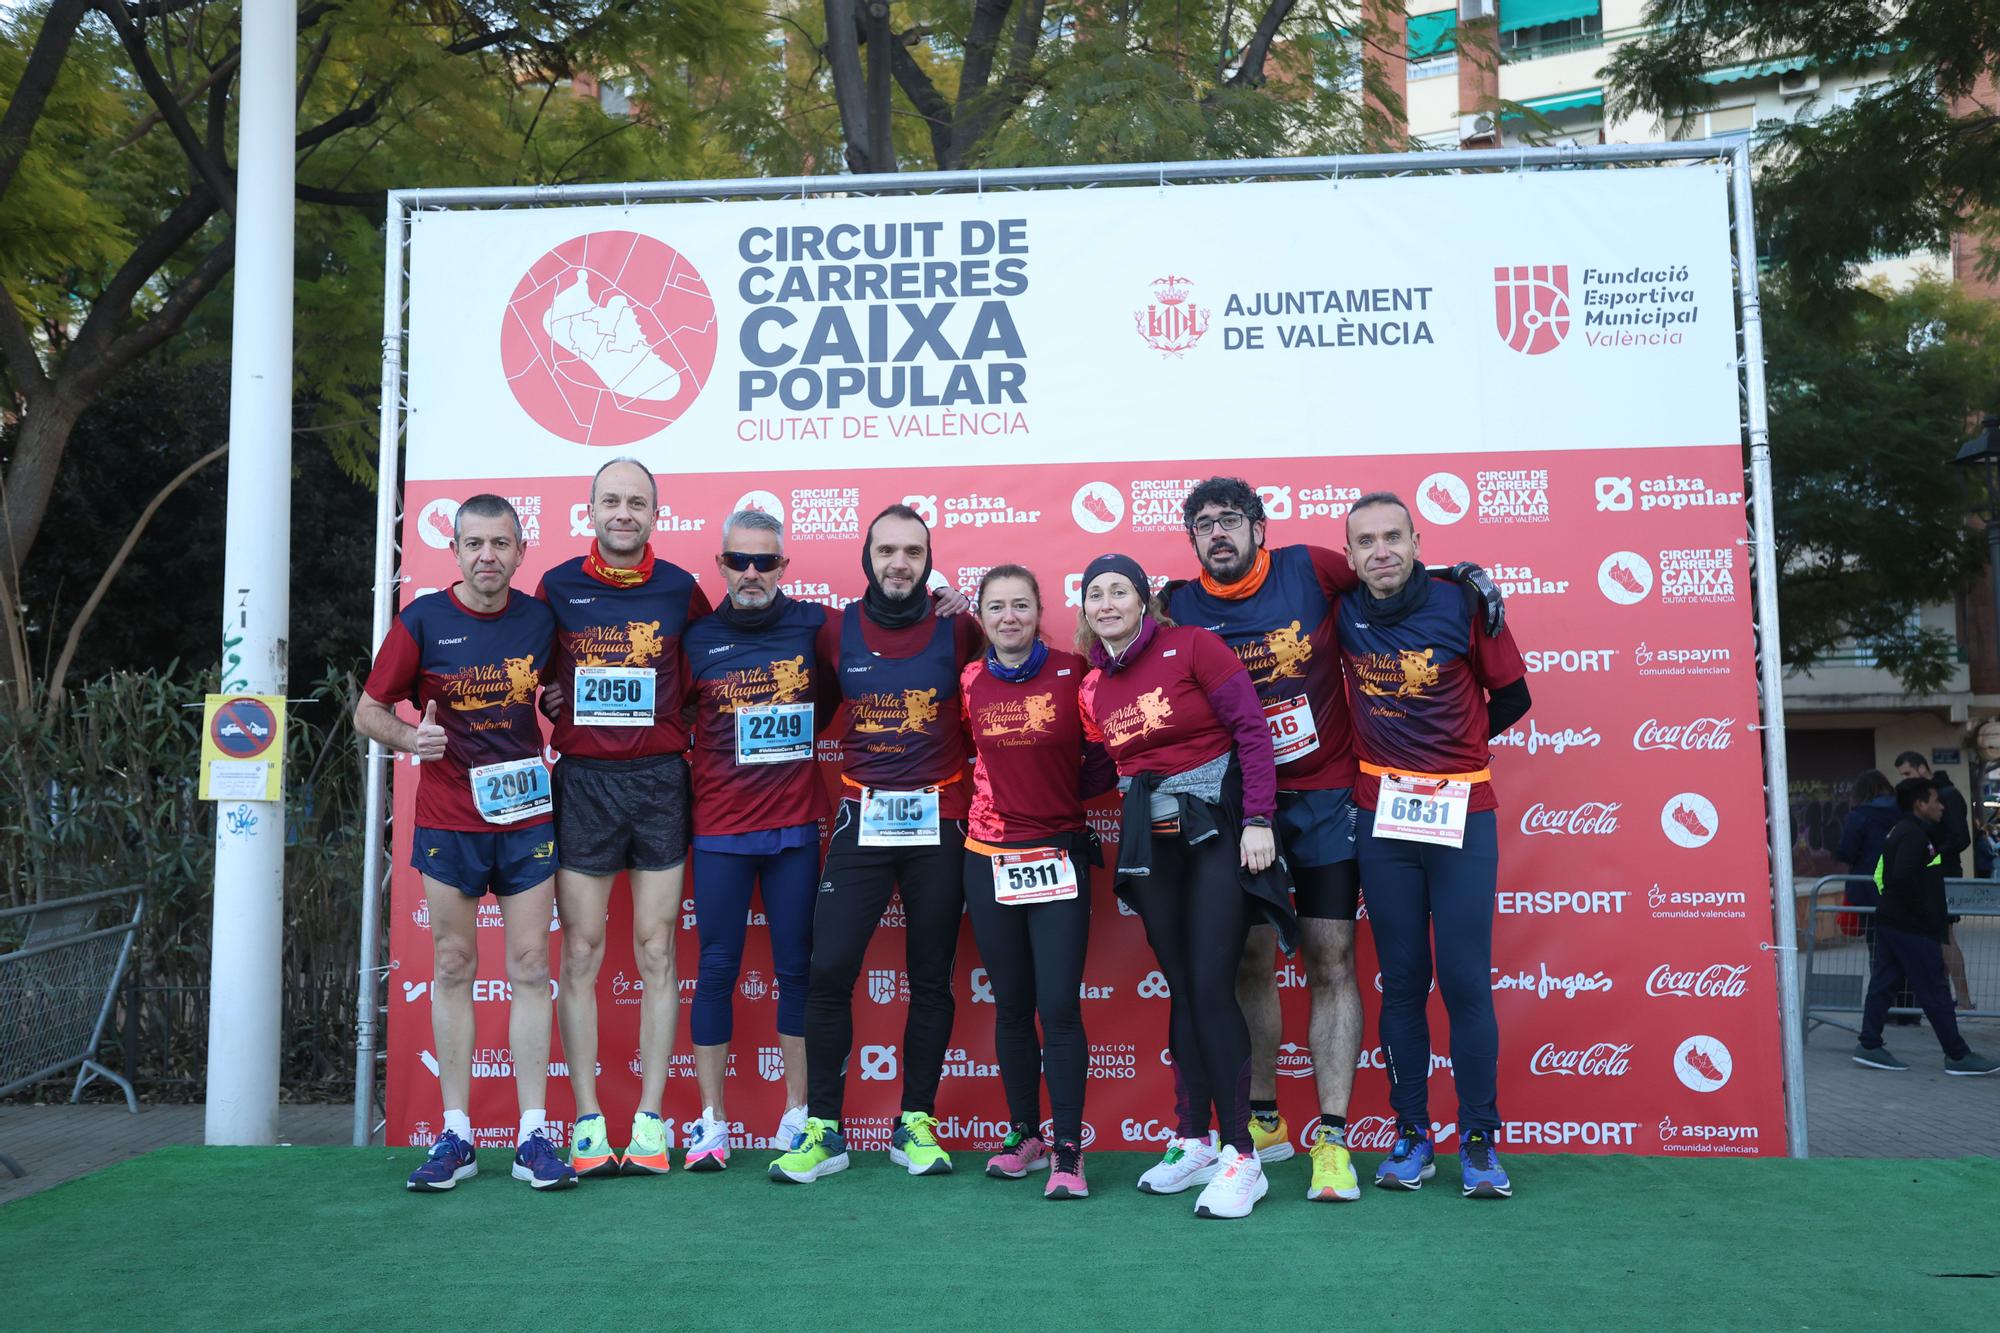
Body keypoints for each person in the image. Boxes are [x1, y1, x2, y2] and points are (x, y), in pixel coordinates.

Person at [1161, 476, 1506, 1203]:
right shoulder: (1175, 605)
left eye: (1231, 519)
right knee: (1249, 959)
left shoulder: (1312, 566)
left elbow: (1395, 575)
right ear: (1191, 537)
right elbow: (1111, 646)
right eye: (1203, 524)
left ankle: (1335, 1138)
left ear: (1260, 525)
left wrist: (1463, 576)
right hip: (1235, 804)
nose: (1217, 532)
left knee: (1332, 957)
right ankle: (1262, 1122)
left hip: (1323, 799)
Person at [354, 494, 575, 1192]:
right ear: (454, 550)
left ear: (519, 551)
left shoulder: (541, 619)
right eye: (475, 543)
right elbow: (367, 709)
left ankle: (534, 1133)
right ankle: (457, 1131)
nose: (488, 555)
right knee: (452, 962)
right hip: (450, 818)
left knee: (532, 963)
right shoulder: (422, 620)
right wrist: (407, 736)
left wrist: (556, 703)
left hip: (527, 818)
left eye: (501, 543)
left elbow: (554, 693)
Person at [771, 504, 984, 1184]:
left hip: (941, 820)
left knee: (931, 975)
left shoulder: (960, 629)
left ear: (929, 560)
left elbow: (1003, 700)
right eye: (887, 550)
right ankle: (824, 1128)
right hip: (862, 818)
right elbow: (813, 700)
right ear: (868, 558)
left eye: (913, 552)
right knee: (828, 968)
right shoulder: (838, 630)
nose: (900, 562)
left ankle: (915, 1121)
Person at [1076, 553, 1291, 1220]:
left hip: (1219, 831)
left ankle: (1242, 1156)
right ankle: (1193, 1135)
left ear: (1143, 599)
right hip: (1153, 844)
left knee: (1208, 984)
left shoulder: (1193, 644)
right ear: (1084, 609)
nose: (1107, 601)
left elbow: (1253, 732)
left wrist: (1259, 819)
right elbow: (1091, 767)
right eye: (1095, 593)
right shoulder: (1092, 688)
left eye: (1119, 590)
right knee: (1181, 983)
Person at [1338, 492, 1530, 1200]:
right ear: (1351, 554)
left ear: (1417, 540)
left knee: (1466, 981)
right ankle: (1412, 1133)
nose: (1380, 550)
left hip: (1462, 816)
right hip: (1384, 822)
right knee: (1403, 983)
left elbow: (1512, 696)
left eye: (1394, 536)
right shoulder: (1342, 609)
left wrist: (1451, 753)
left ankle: (1478, 1138)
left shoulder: (1463, 603)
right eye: (1366, 541)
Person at [536, 458, 710, 1178]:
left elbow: (709, 680)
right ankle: (584, 1120)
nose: (624, 513)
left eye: (637, 502)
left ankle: (648, 1119)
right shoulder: (556, 587)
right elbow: (533, 673)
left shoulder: (681, 589)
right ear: (591, 511)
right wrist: (550, 698)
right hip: (584, 782)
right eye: (611, 500)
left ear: (655, 514)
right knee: (579, 952)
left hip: (661, 781)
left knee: (656, 948)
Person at [680, 510, 831, 1168]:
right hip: (720, 830)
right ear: (719, 564)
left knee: (796, 969)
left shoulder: (814, 625)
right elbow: (662, 717)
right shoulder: (694, 638)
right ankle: (712, 1123)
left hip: (795, 826)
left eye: (764, 562)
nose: (750, 573)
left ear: (782, 569)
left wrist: (954, 609)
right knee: (716, 970)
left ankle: (797, 1113)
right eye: (738, 560)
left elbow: (854, 677)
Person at [959, 565, 1115, 1200]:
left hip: (1057, 856)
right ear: (982, 616)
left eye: (1020, 605)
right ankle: (1024, 1133)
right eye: (996, 607)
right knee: (1013, 1006)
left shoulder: (1076, 673)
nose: (1009, 617)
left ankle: (1069, 1150)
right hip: (986, 854)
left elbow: (1108, 755)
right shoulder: (968, 679)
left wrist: (1055, 800)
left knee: (1059, 1007)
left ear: (1039, 609)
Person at [1851, 777, 1999, 1075]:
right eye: (1936, 800)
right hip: (1911, 927)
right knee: (1934, 990)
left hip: (1897, 922)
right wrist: (1926, 917)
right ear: (1920, 804)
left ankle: (1869, 1045)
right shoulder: (1913, 836)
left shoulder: (1909, 831)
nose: (1941, 806)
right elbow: (1901, 879)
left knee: (1884, 983)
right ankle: (1957, 1055)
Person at [1893, 751, 1975, 1008]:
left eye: (1907, 773)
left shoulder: (1946, 795)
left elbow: (1960, 838)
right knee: (1939, 936)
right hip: (1936, 873)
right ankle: (1946, 997)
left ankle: (1962, 1000)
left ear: (1922, 769)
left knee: (1944, 936)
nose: (1904, 780)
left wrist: (1932, 857)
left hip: (1943, 875)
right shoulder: (1934, 796)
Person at [1835, 771, 1899, 935]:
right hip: (1901, 884)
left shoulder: (1858, 816)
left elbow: (1847, 852)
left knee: (1876, 944)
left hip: (1869, 887)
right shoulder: (1903, 810)